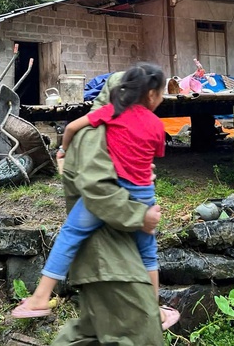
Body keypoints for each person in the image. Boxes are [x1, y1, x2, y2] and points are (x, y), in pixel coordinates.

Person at [13, 63, 180, 335]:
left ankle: (41, 296)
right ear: (151, 95)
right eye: (162, 93)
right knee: (149, 255)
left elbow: (72, 129)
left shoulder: (111, 112)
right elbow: (153, 157)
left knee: (70, 234)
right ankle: (156, 310)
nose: (162, 99)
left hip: (112, 192)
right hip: (144, 195)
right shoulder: (156, 125)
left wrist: (64, 151)